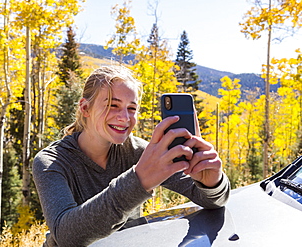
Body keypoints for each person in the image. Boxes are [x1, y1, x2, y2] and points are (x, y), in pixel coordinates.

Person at [33, 65, 230, 247]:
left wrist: (211, 183)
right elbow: (66, 236)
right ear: (85, 108)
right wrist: (138, 181)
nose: (125, 118)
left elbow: (213, 201)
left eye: (132, 108)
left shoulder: (136, 151)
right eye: (113, 105)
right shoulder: (51, 161)